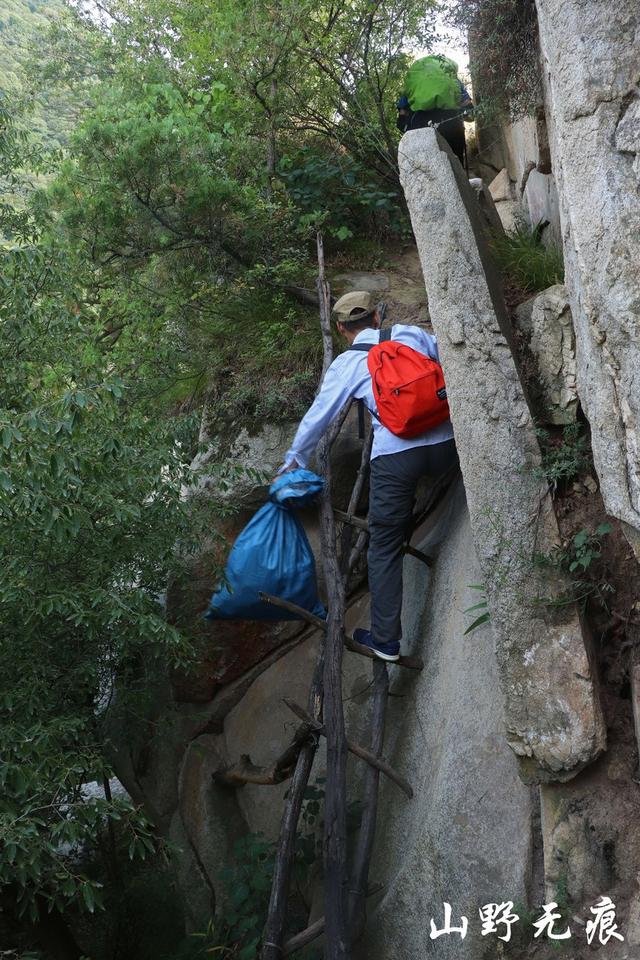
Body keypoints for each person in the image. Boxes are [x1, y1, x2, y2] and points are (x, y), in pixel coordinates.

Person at [277, 291, 458, 662]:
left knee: (384, 545)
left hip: (396, 458)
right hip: (450, 444)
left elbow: (318, 417)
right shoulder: (408, 334)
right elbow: (451, 359)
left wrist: (293, 459)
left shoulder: (346, 365)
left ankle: (386, 640)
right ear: (377, 317)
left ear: (342, 329)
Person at [396, 54, 473, 166]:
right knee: (455, 163)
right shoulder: (450, 78)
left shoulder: (414, 81)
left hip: (421, 124)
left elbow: (402, 111)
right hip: (451, 123)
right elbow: (468, 107)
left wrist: (404, 125)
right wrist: (466, 115)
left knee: (427, 166)